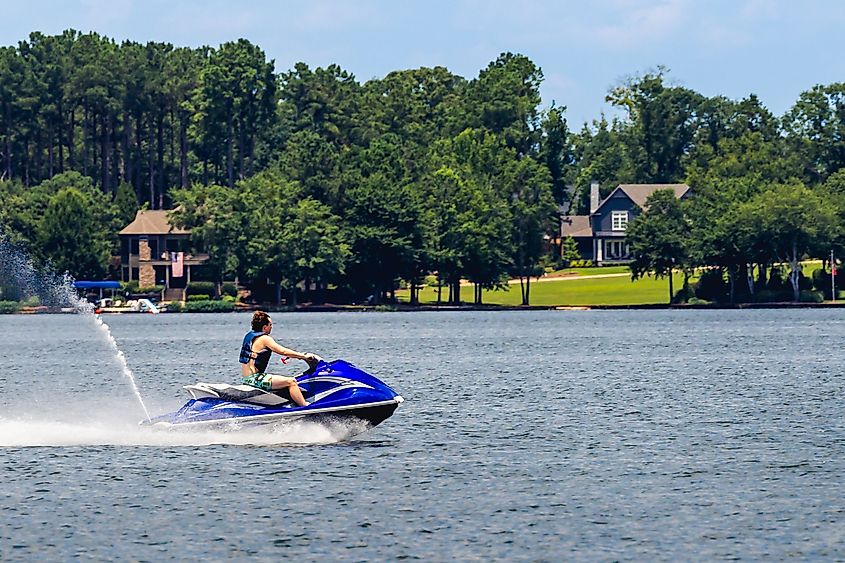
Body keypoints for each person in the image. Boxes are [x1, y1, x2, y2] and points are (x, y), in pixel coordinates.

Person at [239, 311, 319, 407]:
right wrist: (303, 356)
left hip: (246, 379)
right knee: (291, 382)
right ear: (264, 327)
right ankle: (305, 407)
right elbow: (283, 351)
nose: (271, 327)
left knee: (283, 383)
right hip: (255, 379)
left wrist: (294, 355)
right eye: (270, 325)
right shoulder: (265, 338)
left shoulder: (249, 336)